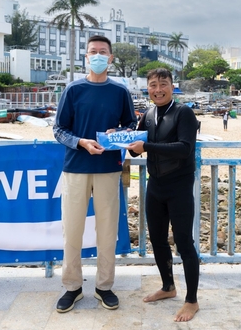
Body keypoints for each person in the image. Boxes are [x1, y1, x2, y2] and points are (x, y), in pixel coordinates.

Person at [53, 35, 137, 313]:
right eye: (93, 52)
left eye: (103, 52)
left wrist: (119, 133)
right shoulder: (73, 90)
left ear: (110, 58)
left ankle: (104, 286)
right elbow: (59, 129)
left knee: (107, 231)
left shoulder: (120, 91)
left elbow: (131, 125)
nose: (98, 56)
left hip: (108, 169)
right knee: (72, 231)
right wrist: (80, 142)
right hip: (75, 168)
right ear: (86, 57)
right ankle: (72, 287)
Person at [126, 68, 200, 322]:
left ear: (172, 86)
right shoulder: (148, 115)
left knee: (184, 243)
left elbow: (184, 148)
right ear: (148, 88)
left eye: (163, 84)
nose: (158, 90)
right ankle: (168, 287)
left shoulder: (183, 112)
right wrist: (119, 137)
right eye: (153, 85)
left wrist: (146, 145)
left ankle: (192, 301)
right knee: (157, 240)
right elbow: (134, 150)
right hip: (155, 186)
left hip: (179, 187)